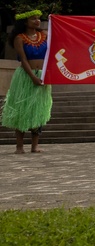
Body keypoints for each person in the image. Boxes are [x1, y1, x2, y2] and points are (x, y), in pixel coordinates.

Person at [1, 10, 53, 153]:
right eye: (33, 19)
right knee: (22, 109)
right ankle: (19, 146)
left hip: (43, 74)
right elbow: (23, 60)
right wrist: (32, 77)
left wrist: (46, 76)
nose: (37, 21)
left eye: (38, 18)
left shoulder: (45, 35)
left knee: (38, 110)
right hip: (25, 76)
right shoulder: (20, 38)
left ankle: (35, 145)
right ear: (25, 22)